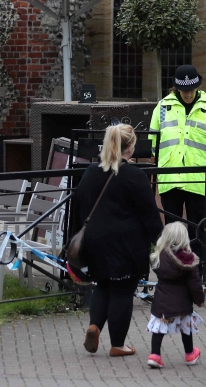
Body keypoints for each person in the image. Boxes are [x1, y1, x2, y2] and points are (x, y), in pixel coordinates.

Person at [77, 123, 164, 357]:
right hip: (126, 244)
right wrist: (161, 243)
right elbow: (150, 215)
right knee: (123, 291)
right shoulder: (135, 176)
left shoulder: (91, 172)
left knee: (103, 285)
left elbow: (81, 205)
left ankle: (94, 325)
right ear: (131, 147)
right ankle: (118, 344)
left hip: (95, 241)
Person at [149, 64, 206, 262]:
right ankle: (174, 268)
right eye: (184, 90)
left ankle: (198, 271)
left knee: (199, 227)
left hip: (198, 178)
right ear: (176, 88)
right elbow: (152, 140)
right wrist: (160, 160)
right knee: (173, 228)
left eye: (191, 90)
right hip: (170, 177)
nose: (188, 94)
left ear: (196, 86)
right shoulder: (163, 107)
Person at [147, 221, 206, 368]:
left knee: (159, 329)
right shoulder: (188, 260)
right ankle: (190, 354)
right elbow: (195, 283)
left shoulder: (159, 256)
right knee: (187, 328)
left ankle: (155, 355)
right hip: (182, 302)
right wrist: (199, 299)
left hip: (162, 301)